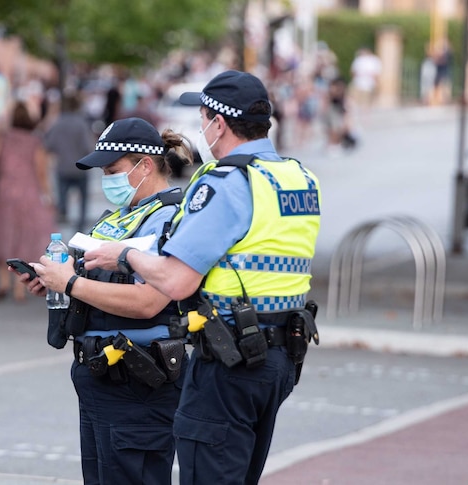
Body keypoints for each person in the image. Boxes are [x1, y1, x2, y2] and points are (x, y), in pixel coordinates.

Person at [82, 70, 322, 484]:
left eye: (205, 116)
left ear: (220, 123)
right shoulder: (298, 178)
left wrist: (125, 256)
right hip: (280, 357)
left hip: (230, 361)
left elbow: (176, 282)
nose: (202, 125)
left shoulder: (226, 182)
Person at [17, 117, 193, 485]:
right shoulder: (118, 219)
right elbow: (83, 280)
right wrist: (53, 277)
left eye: (113, 170)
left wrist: (71, 284)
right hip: (102, 375)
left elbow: (149, 302)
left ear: (145, 166)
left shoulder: (168, 220)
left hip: (138, 381)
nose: (106, 179)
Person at [0, 101, 55, 302]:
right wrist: (47, 196)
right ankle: (20, 288)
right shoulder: (35, 142)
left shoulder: (3, 138)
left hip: (6, 191)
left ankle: (3, 282)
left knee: (4, 232)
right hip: (28, 191)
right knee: (25, 236)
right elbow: (41, 172)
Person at [43, 93, 94, 233]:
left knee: (62, 202)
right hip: (80, 167)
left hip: (63, 168)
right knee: (83, 202)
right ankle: (80, 229)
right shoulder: (81, 123)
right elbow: (87, 147)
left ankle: (60, 229)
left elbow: (49, 144)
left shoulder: (58, 123)